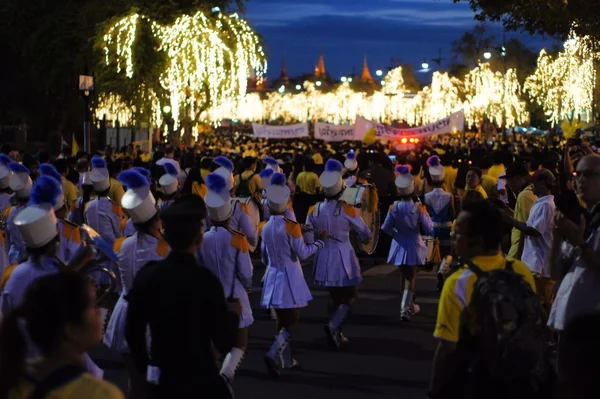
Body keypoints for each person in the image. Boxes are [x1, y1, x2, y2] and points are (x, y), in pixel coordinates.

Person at [125, 194, 241, 399]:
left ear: (166, 236)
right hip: (201, 379)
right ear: (199, 238)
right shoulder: (206, 281)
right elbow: (224, 342)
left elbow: (132, 330)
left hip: (164, 378)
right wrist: (233, 316)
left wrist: (145, 369)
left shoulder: (148, 275)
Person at [429, 200, 538, 399]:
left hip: (479, 381)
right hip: (521, 378)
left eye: (458, 233)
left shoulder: (458, 282)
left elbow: (447, 349)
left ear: (477, 241)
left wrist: (434, 391)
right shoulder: (520, 271)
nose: (453, 236)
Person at [0, 273, 124, 399]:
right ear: (71, 330)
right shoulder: (100, 394)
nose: (98, 311)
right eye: (92, 306)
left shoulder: (13, 378)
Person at [105, 169, 168, 399]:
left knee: (135, 384)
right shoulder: (164, 247)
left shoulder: (122, 245)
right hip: (154, 320)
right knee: (155, 386)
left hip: (125, 315)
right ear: (156, 218)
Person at [262, 173, 326, 377]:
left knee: (281, 320)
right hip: (290, 277)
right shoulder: (290, 226)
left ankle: (286, 359)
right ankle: (273, 353)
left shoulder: (266, 226)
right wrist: (319, 241)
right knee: (292, 320)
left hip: (273, 275)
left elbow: (264, 257)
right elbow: (303, 253)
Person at [305, 159, 371, 348]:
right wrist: (366, 240)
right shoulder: (346, 208)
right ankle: (334, 325)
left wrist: (318, 242)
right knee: (351, 295)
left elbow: (309, 237)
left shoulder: (313, 209)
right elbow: (365, 232)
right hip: (344, 255)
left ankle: (337, 331)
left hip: (323, 256)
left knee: (333, 296)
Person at [198, 173, 253, 386]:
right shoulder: (238, 239)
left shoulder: (201, 239)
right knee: (240, 342)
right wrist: (246, 288)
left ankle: (206, 378)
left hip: (210, 295)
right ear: (230, 215)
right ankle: (226, 376)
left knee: (214, 344)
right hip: (235, 295)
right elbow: (247, 273)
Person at [550, 155, 600, 362]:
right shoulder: (582, 217)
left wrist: (580, 243)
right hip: (567, 324)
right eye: (577, 174)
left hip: (591, 331)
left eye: (589, 174)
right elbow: (555, 272)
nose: (581, 180)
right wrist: (556, 236)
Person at [382, 164, 433, 321]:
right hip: (413, 244)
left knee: (404, 276)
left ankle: (409, 305)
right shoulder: (418, 208)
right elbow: (429, 227)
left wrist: (396, 235)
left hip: (398, 244)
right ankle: (405, 309)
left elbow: (385, 227)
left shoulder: (394, 207)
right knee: (411, 278)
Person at [508, 169, 556, 322]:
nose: (530, 185)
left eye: (533, 182)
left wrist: (512, 221)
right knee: (537, 303)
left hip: (540, 265)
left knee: (541, 304)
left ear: (542, 183)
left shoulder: (546, 205)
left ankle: (549, 338)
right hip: (534, 262)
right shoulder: (540, 202)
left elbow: (535, 231)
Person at [85, 156, 126, 291]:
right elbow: (118, 232)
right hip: (111, 255)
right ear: (108, 188)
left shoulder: (88, 206)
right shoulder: (113, 207)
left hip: (94, 256)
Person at [37, 164, 82, 265]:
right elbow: (75, 257)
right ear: (61, 209)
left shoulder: (35, 226)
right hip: (62, 276)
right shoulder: (69, 229)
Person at [209, 156, 257, 248]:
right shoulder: (238, 206)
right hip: (233, 248)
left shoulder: (207, 202)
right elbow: (252, 238)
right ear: (233, 188)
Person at [502, 163, 537, 259]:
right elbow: (521, 219)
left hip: (520, 251)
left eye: (508, 180)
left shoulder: (524, 196)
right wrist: (506, 210)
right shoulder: (528, 192)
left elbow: (524, 228)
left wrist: (515, 258)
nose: (507, 184)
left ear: (517, 178)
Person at [424, 156, 455, 260]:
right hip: (447, 228)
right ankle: (443, 270)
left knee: (435, 254)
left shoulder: (427, 196)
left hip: (433, 227)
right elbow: (452, 214)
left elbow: (427, 214)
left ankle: (438, 270)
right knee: (447, 253)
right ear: (443, 179)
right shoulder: (449, 195)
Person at [6, 162, 33, 265]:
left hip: (13, 259)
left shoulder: (10, 211)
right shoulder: (37, 212)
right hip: (31, 261)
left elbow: (8, 240)